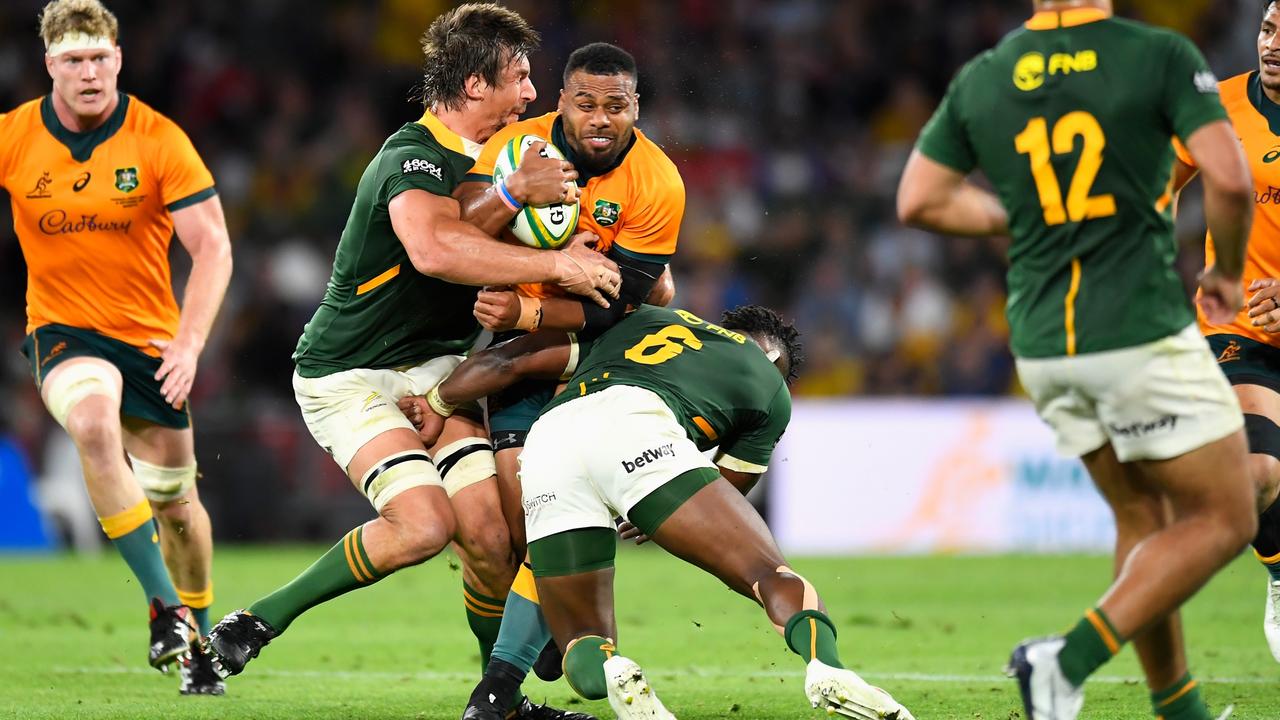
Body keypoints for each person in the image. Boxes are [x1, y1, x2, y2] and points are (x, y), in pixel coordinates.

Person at [204, 8, 619, 720]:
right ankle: (260, 619)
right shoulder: (413, 157)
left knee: (491, 537)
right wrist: (552, 256)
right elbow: (436, 250)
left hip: (435, 371)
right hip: (350, 376)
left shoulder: (505, 158)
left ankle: (501, 702)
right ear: (477, 80)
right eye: (519, 77)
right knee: (425, 526)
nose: (530, 94)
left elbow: (489, 223)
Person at [897, 1, 1256, 719]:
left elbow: (920, 200)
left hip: (1042, 345)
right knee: (1227, 516)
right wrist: (1225, 275)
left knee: (1141, 520)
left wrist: (1016, 213)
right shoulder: (1155, 54)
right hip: (1136, 330)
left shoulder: (985, 75)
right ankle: (1068, 659)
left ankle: (1177, 706)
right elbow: (1232, 178)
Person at [403, 304, 913, 720]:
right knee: (765, 572)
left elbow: (516, 360)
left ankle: (589, 673)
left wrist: (438, 402)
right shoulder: (772, 390)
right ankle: (828, 667)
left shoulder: (649, 318)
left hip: (551, 436)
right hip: (641, 431)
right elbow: (727, 489)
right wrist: (650, 500)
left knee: (583, 643)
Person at [0, 0, 232, 695]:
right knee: (95, 425)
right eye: (73, 60)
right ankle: (164, 609)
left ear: (119, 59)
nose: (89, 71)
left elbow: (213, 247)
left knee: (180, 511)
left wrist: (189, 345)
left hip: (152, 343)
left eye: (100, 57)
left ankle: (197, 641)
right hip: (63, 333)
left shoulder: (158, 139)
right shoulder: (14, 136)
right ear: (50, 68)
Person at [450, 41, 684, 719]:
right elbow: (458, 233)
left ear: (636, 107)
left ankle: (501, 686)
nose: (601, 118)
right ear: (562, 103)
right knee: (523, 526)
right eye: (586, 103)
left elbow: (629, 297)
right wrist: (515, 200)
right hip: (516, 344)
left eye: (616, 105)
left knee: (561, 511)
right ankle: (555, 619)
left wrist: (533, 295)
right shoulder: (514, 148)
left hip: (599, 351)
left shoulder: (658, 181)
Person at [1171, 0, 1280, 664]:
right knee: (1259, 473)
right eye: (1269, 30)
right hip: (1242, 330)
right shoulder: (1219, 109)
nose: (1273, 46)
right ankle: (1279, 570)